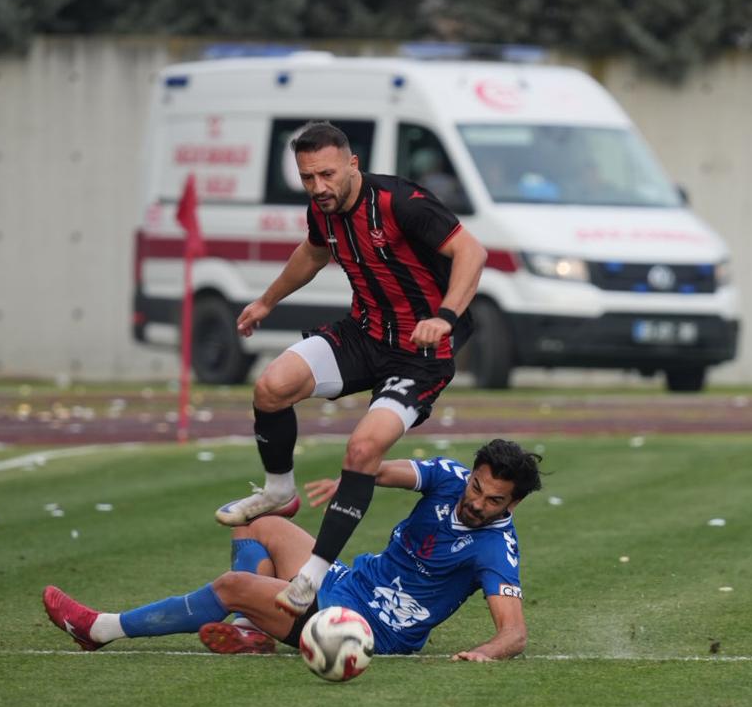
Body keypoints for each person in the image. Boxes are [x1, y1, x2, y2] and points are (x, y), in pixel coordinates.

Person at [214, 121, 489, 620]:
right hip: (364, 335)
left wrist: (444, 317)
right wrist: (266, 301)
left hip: (420, 355)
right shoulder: (324, 210)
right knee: (271, 387)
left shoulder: (400, 202)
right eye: (307, 178)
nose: (318, 187)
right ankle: (279, 490)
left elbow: (472, 251)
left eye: (327, 174)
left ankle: (314, 571)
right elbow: (314, 253)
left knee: (363, 448)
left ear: (352, 165)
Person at [44, 439, 542, 662]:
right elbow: (384, 470)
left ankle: (100, 629)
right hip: (348, 582)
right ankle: (249, 630)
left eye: (493, 499)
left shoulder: (496, 549)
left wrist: (481, 654)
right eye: (476, 487)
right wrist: (351, 480)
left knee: (233, 586)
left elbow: (514, 632)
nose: (477, 502)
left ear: (514, 502)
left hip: (367, 628)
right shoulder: (452, 479)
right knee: (259, 523)